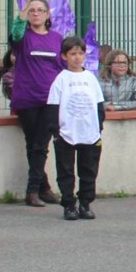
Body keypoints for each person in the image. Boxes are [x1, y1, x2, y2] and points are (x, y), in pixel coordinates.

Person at [10, 0, 65, 207]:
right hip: (27, 99)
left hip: (50, 100)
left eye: (40, 10)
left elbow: (62, 68)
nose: (35, 14)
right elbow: (15, 32)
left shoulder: (57, 38)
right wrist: (26, 4)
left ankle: (35, 190)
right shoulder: (23, 38)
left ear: (48, 15)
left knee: (40, 144)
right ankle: (42, 189)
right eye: (32, 10)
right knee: (33, 144)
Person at [47, 36, 105, 222]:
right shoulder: (61, 80)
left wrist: (99, 128)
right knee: (66, 171)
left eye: (80, 53)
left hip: (89, 133)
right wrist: (56, 132)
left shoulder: (90, 78)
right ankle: (69, 204)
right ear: (64, 56)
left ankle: (85, 203)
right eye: (72, 54)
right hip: (67, 133)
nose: (77, 57)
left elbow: (98, 105)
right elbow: (53, 107)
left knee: (88, 170)